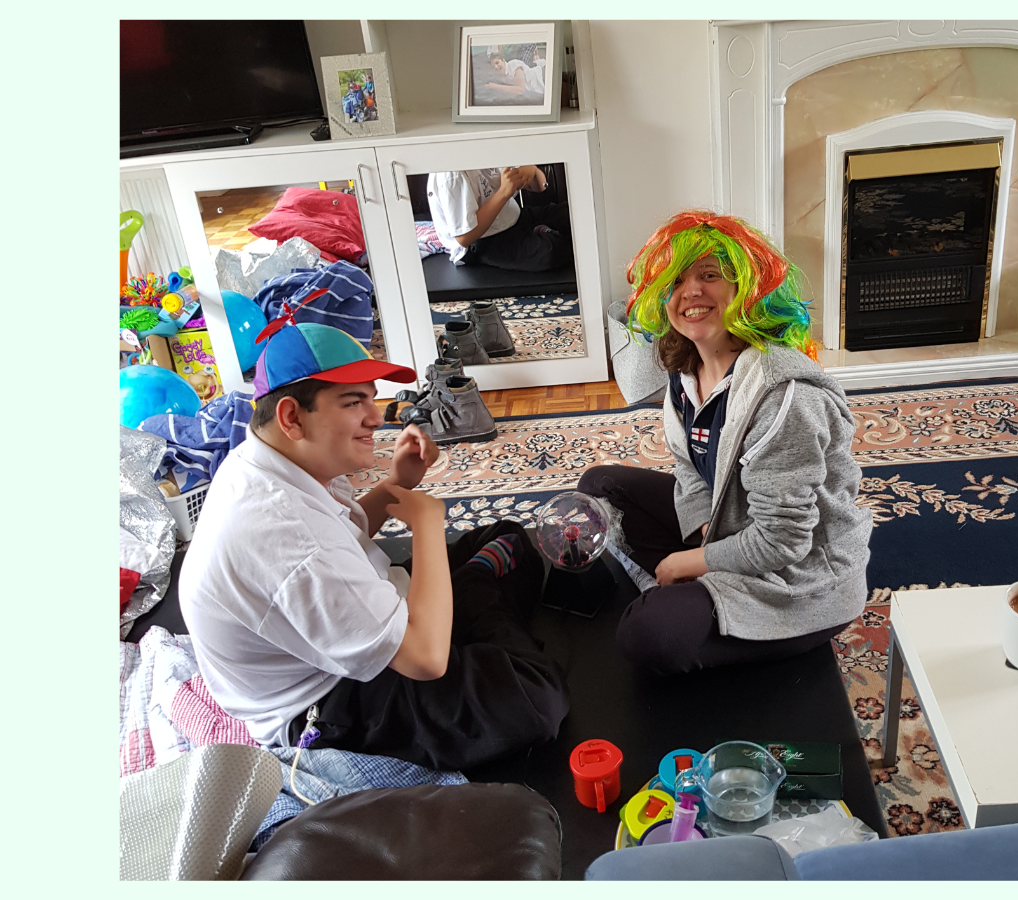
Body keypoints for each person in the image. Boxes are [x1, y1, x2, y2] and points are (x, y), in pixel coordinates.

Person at [179, 318, 569, 771]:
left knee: (508, 537)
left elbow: (343, 530)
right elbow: (425, 661)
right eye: (353, 402)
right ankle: (471, 602)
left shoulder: (267, 461)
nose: (376, 415)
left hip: (362, 625)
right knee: (536, 700)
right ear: (291, 417)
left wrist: (398, 483)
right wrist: (426, 526)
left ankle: (468, 602)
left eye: (371, 396)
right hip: (327, 705)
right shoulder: (286, 535)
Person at [578, 210, 873, 675]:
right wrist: (702, 540)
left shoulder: (784, 396)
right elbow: (688, 471)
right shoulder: (684, 371)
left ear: (745, 288)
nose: (691, 291)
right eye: (675, 281)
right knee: (600, 485)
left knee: (648, 636)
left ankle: (710, 611)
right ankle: (702, 598)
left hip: (798, 580)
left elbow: (784, 541)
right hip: (734, 531)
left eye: (709, 276)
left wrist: (686, 565)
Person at [426, 166, 572, 272]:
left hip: (511, 216)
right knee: (550, 252)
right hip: (484, 239)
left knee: (569, 212)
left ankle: (543, 232)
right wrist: (503, 193)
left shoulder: (492, 149)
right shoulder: (450, 175)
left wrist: (532, 170)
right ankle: (547, 234)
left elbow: (541, 186)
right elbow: (464, 238)